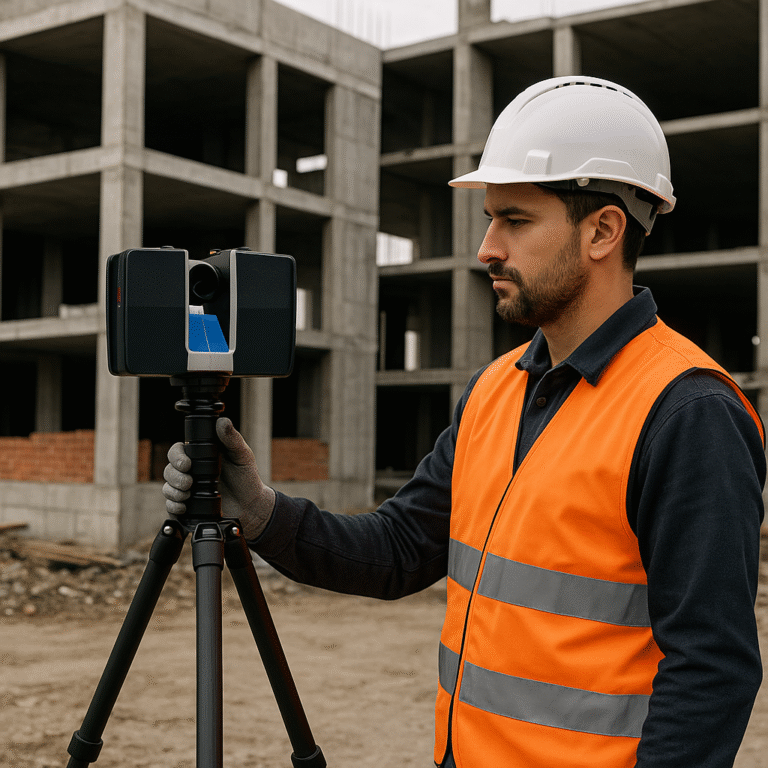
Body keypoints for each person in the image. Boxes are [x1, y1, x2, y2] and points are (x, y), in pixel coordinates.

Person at [163, 76, 766, 768]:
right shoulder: (494, 390)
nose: (487, 248)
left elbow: (712, 671)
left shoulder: (688, 412)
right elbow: (396, 552)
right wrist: (263, 512)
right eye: (490, 219)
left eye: (515, 219)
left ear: (603, 230)